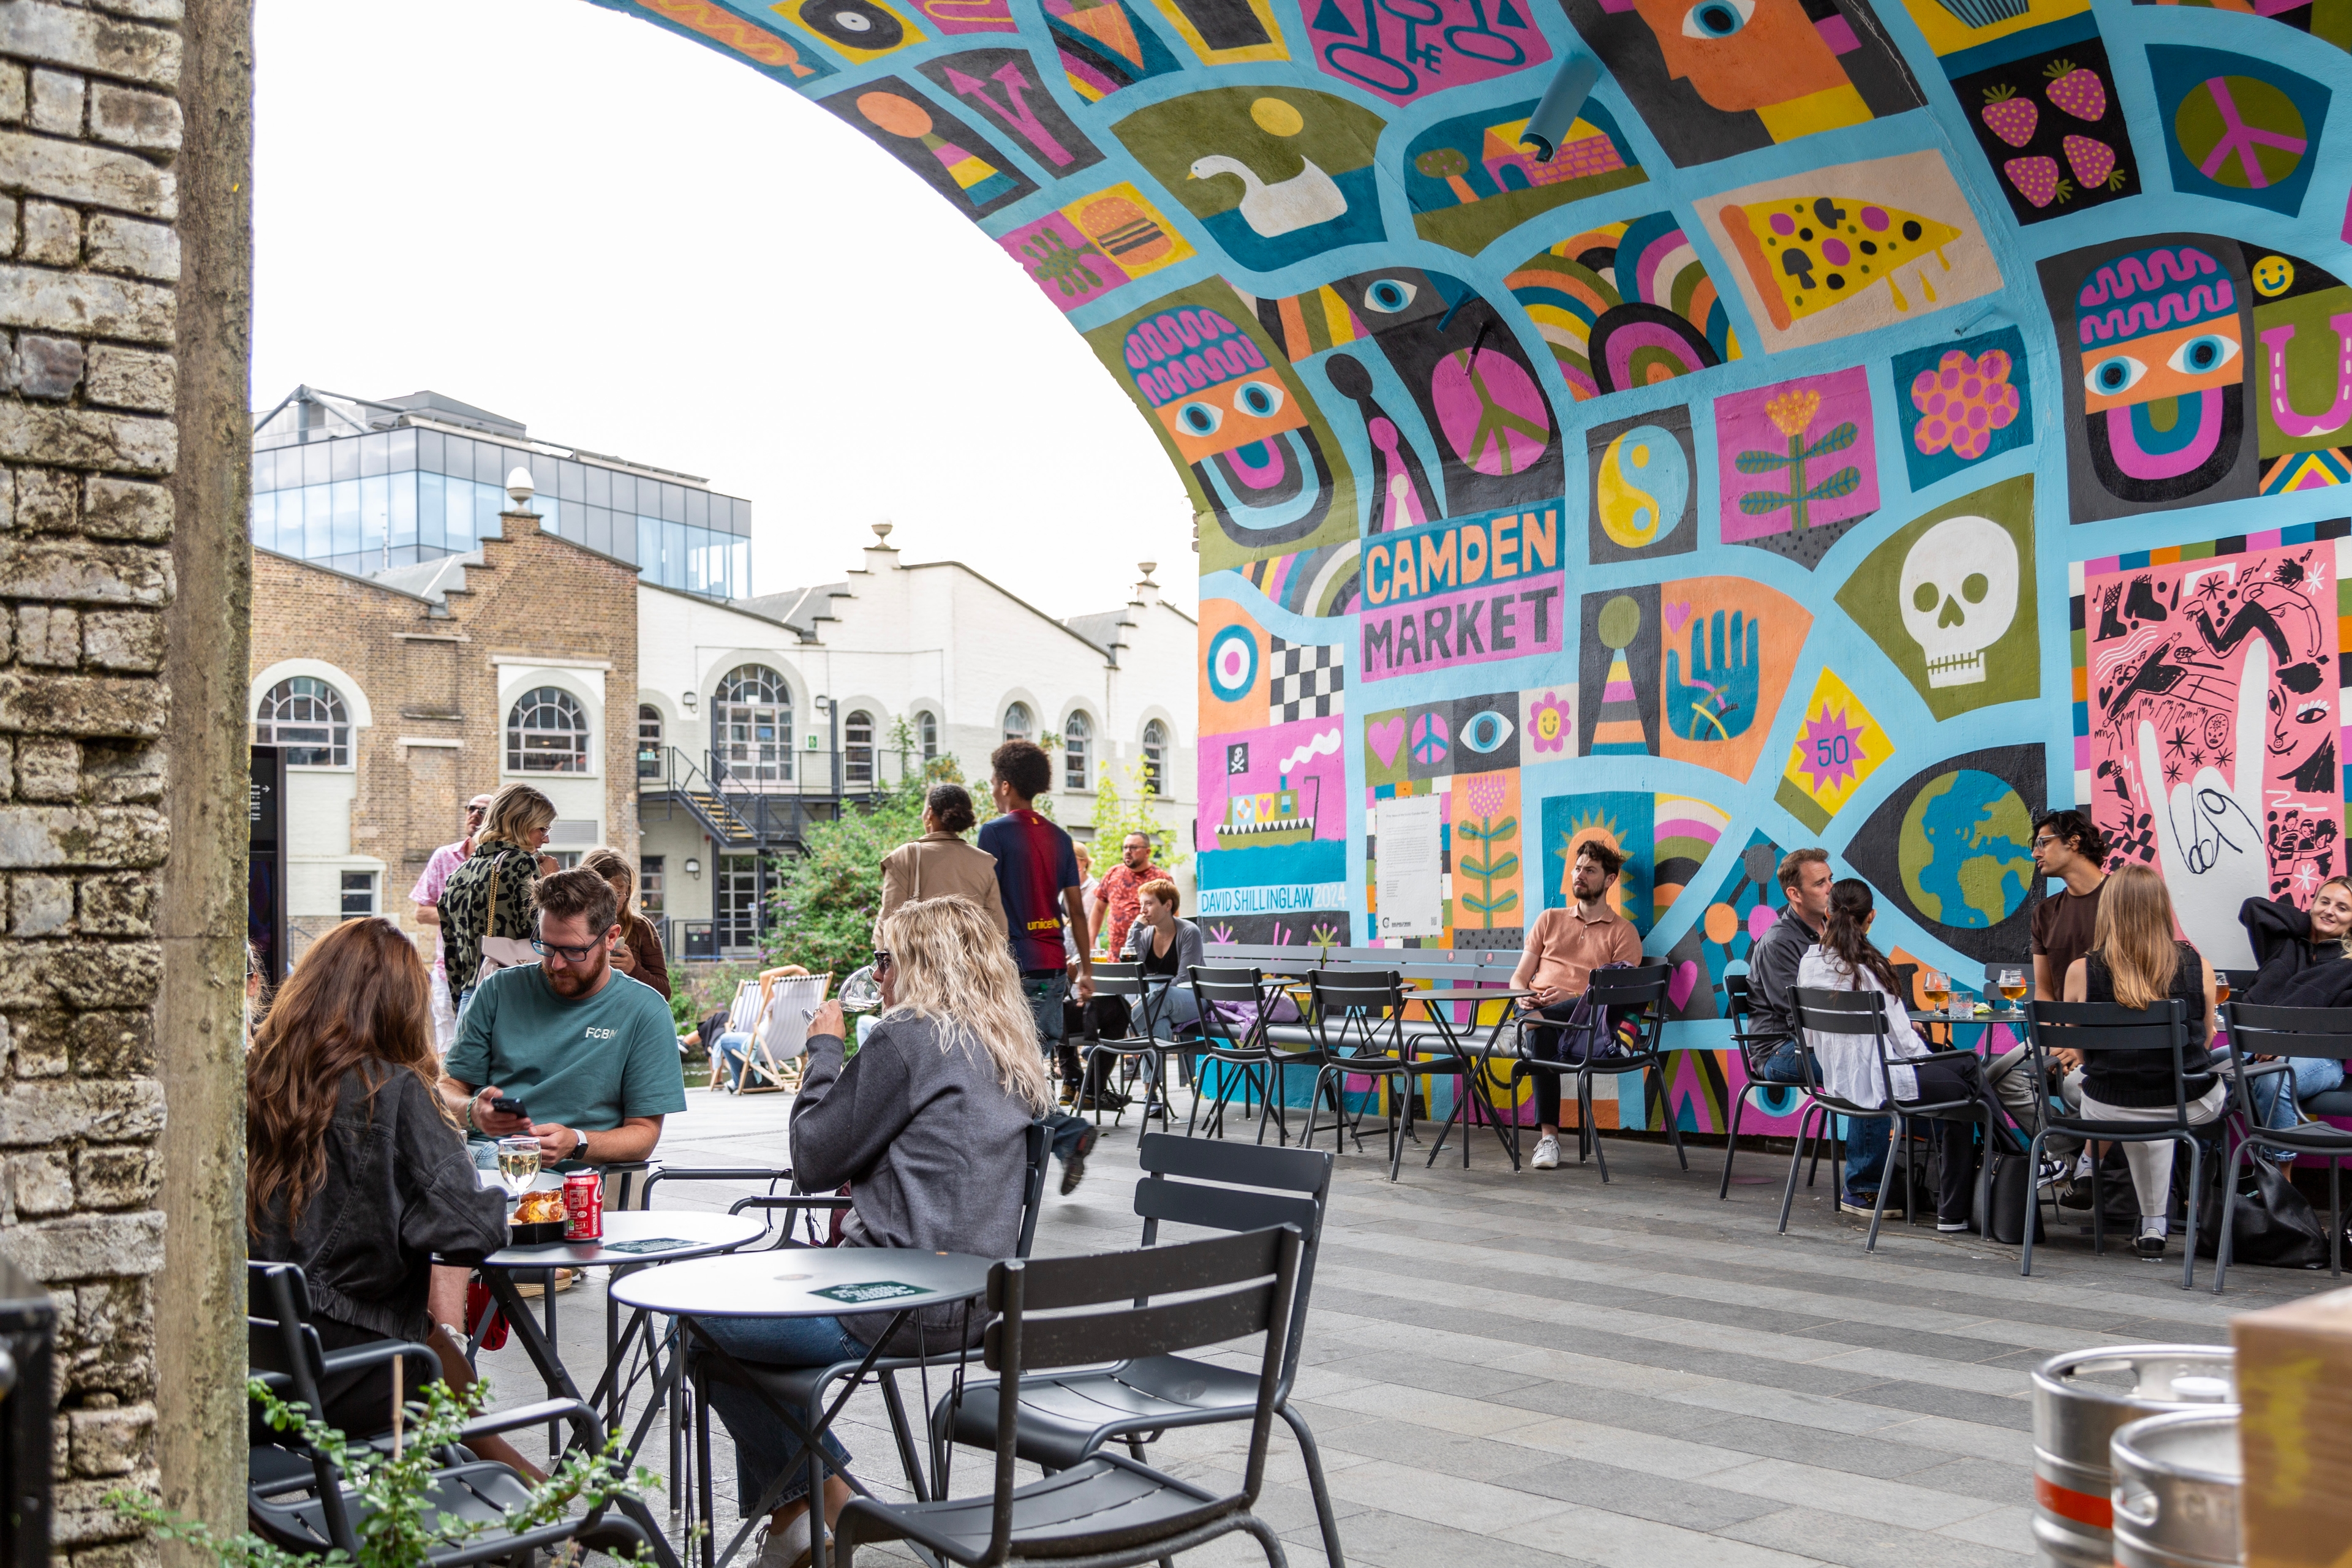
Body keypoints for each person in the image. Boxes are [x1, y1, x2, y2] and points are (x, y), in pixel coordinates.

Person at [700, 895, 1050, 1568]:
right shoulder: (1010, 1046)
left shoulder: (909, 1037)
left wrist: (824, 1048)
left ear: (921, 965)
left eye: (885, 960)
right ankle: (799, 1520)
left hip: (886, 1308)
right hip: (977, 1308)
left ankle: (827, 1507)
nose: (879, 976)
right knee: (745, 1339)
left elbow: (812, 1160)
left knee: (701, 1321)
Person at [246, 917, 539, 1476]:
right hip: (354, 1371)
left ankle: (543, 1501)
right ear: (399, 1007)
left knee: (442, 1370)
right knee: (442, 1371)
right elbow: (469, 1230)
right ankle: (556, 1509)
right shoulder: (394, 1090)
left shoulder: (255, 1079)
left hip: (260, 1363)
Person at [1796, 880, 2019, 1232]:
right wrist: (1921, 1050)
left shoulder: (1809, 965)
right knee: (1966, 1084)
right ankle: (2002, 1170)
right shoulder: (1870, 970)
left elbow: (1810, 1036)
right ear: (1871, 917)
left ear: (1828, 912)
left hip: (1837, 1081)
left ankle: (1971, 1196)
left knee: (1965, 1070)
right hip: (1886, 1082)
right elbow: (1909, 1047)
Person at [440, 866, 687, 1167]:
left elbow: (644, 1134)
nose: (556, 964)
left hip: (571, 1179)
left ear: (611, 938)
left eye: (573, 951)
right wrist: (472, 1111)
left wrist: (577, 1142)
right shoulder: (498, 989)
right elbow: (448, 1088)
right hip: (479, 1159)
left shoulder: (646, 1011)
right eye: (546, 946)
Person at [2062, 863, 2226, 1262]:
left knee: (2121, 1098)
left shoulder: (2081, 971)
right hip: (2191, 1104)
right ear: (2161, 910)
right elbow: (2205, 1039)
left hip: (2109, 1105)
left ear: (2109, 910)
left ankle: (2089, 1166)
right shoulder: (2197, 965)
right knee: (2158, 1100)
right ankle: (2153, 1226)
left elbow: (2078, 1053)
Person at [974, 739, 1098, 1191]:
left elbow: (984, 904)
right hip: (1054, 967)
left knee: (1005, 1071)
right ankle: (1060, 1140)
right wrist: (1085, 969)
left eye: (993, 782)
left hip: (1013, 969)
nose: (991, 790)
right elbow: (1078, 913)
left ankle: (1061, 1136)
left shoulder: (993, 834)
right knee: (1023, 1068)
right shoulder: (1060, 837)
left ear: (1006, 785)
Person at [1745, 849, 1891, 1205]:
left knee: (1912, 1062)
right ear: (1794, 894)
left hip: (1824, 1042)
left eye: (1831, 880)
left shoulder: (1834, 929)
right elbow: (1798, 1017)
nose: (1831, 889)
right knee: (1867, 1068)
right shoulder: (1780, 942)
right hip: (1781, 1050)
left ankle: (1910, 1176)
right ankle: (1862, 1188)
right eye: (1820, 883)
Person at [1510, 839, 1643, 1172]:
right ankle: (1549, 1139)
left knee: (1539, 1030)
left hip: (1587, 1020)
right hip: (1535, 1006)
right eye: (1578, 868)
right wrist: (1520, 995)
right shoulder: (1549, 919)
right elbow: (1518, 979)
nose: (1580, 875)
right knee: (1540, 1027)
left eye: (1590, 870)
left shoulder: (1623, 933)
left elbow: (1616, 997)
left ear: (1609, 880)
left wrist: (1573, 999)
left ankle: (1518, 1033)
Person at [2234, 876, 2352, 1156]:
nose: (2330, 911)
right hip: (2259, 1044)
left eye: (2342, 908)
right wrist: (2312, 922)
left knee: (2271, 1080)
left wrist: (2283, 1042)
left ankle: (2280, 1186)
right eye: (2324, 902)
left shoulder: (2347, 965)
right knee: (2204, 1067)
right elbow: (2253, 908)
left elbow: (2334, 1030)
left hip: (2321, 1058)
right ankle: (2203, 1173)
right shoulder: (2285, 946)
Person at [437, 783, 557, 1016]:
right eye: (542, 829)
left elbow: (451, 952)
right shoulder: (520, 863)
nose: (546, 839)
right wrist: (551, 881)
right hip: (512, 996)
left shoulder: (459, 873)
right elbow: (546, 930)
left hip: (468, 998)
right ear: (520, 824)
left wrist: (460, 1005)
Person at [413, 793, 496, 1050]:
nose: (474, 815)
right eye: (471, 809)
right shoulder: (444, 857)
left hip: (489, 970)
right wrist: (463, 913)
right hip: (447, 970)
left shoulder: (502, 860)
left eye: (483, 811)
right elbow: (421, 912)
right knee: (445, 1048)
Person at [874, 784, 1004, 941]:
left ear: (929, 813)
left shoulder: (906, 856)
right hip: (968, 963)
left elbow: (887, 924)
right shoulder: (983, 861)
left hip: (921, 962)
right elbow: (999, 928)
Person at [2031, 810, 2108, 1002]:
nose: (2035, 854)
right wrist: (2049, 1030)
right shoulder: (2044, 913)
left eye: (2044, 842)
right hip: (2064, 1029)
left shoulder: (2126, 898)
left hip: (2121, 1026)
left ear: (2074, 841)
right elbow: (2044, 991)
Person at [581, 846, 672, 1001]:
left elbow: (665, 992)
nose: (614, 901)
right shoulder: (574, 926)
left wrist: (634, 969)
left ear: (628, 891)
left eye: (618, 894)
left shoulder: (641, 928)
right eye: (606, 895)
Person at [1093, 831, 1163, 967]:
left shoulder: (1161, 879)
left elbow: (1172, 918)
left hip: (1147, 960)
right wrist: (1091, 943)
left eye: (1134, 848)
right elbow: (1098, 909)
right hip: (1115, 957)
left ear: (1147, 852)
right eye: (1125, 848)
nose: (1128, 852)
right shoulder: (1113, 873)